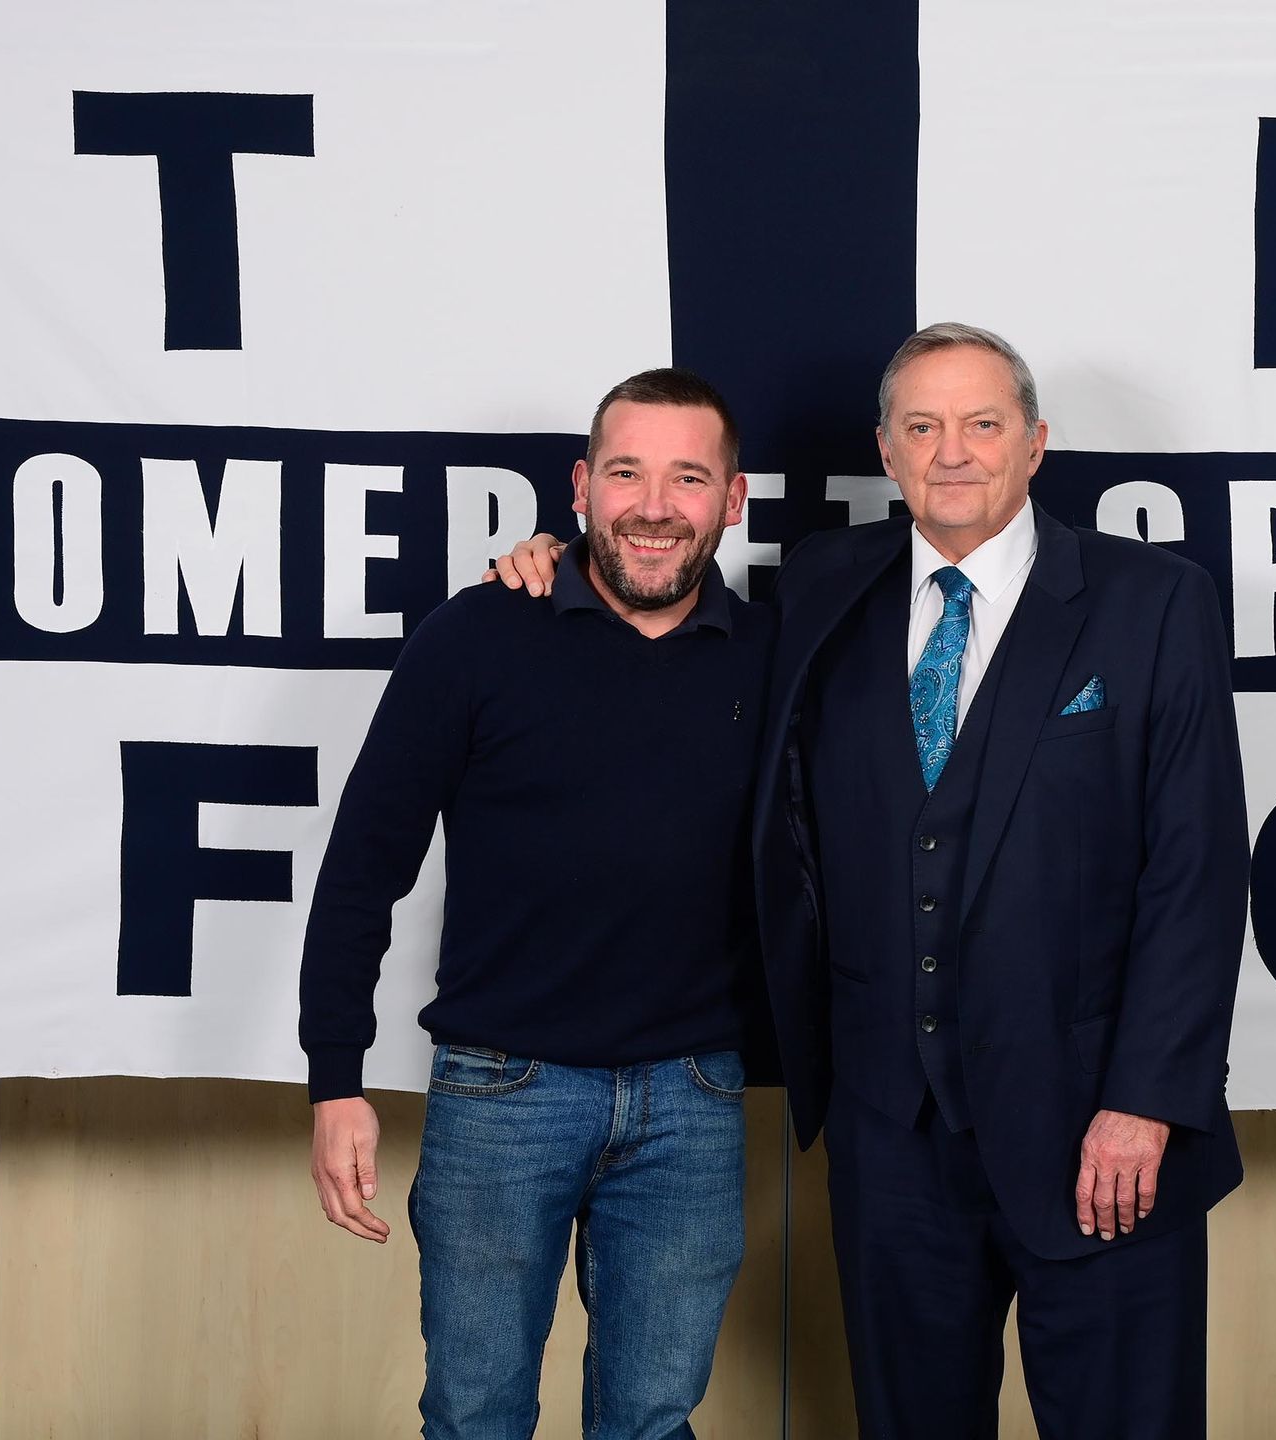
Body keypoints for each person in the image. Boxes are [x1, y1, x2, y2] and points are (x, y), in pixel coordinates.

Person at [495, 323, 1249, 1439]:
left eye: (983, 423)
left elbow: (1198, 872)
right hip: (890, 1137)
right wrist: (557, 566)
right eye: (922, 426)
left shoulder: (1154, 602)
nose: (954, 451)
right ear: (887, 452)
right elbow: (663, 613)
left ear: (1035, 443)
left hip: (1100, 1134)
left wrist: (1146, 1103)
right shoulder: (822, 585)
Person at [300, 368, 774, 1440]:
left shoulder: (773, 657)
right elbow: (364, 864)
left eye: (688, 478)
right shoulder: (477, 636)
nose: (654, 506)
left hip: (694, 1098)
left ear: (734, 499)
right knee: (475, 1418)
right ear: (580, 487)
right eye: (626, 473)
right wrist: (335, 1077)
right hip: (501, 1092)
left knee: (652, 1422)